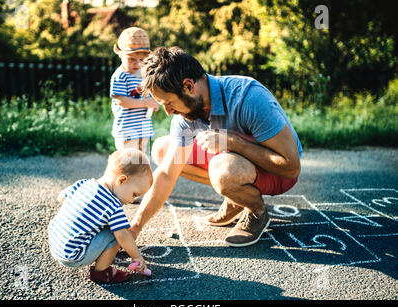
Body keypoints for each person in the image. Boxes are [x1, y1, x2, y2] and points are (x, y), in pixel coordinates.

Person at [129, 46, 302, 247]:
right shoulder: (187, 113)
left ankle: (256, 211)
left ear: (188, 86)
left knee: (222, 170)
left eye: (169, 103)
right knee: (163, 149)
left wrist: (232, 142)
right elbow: (167, 175)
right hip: (233, 162)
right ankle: (236, 195)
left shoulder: (248, 97)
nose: (168, 112)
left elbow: (291, 168)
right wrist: (134, 228)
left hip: (276, 173)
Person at [48, 149, 153, 284]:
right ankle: (102, 273)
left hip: (56, 243)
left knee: (108, 226)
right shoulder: (113, 205)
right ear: (121, 180)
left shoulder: (84, 183)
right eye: (134, 194)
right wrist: (137, 256)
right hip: (73, 256)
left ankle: (101, 250)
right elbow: (123, 235)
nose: (132, 200)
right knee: (115, 234)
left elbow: (61, 197)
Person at [110, 27, 159, 154]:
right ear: (121, 55)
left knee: (143, 161)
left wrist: (153, 102)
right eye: (132, 59)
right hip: (127, 131)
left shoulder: (143, 75)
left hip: (144, 128)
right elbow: (121, 101)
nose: (137, 64)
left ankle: (142, 175)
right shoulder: (120, 76)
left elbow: (149, 94)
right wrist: (144, 103)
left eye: (142, 60)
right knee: (130, 162)